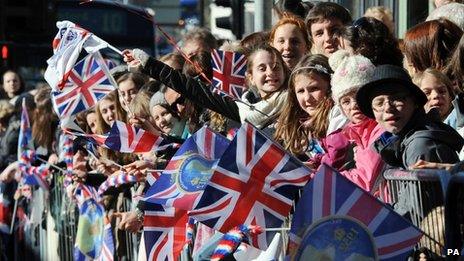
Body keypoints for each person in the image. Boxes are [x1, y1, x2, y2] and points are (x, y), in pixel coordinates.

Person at [123, 44, 289, 129]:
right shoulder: (240, 107)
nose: (270, 73)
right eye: (262, 68)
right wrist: (148, 63)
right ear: (251, 77)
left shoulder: (294, 100)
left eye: (276, 67)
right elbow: (191, 88)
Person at [356, 64, 464, 169]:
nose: (388, 108)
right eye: (379, 103)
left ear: (415, 102)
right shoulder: (400, 144)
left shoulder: (421, 146)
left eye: (397, 99)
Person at [317, 50, 385, 192]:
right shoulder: (355, 133)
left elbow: (366, 180)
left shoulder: (381, 129)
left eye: (358, 95)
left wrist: (321, 180)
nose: (353, 105)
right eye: (346, 101)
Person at [273, 54, 347, 160]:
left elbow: (336, 158)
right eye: (301, 91)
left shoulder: (340, 115)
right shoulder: (295, 126)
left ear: (331, 87)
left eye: (314, 89)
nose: (307, 98)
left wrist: (314, 166)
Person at [337, 16, 403, 67]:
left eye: (344, 50)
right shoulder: (396, 72)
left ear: (362, 49)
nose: (340, 57)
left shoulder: (381, 80)